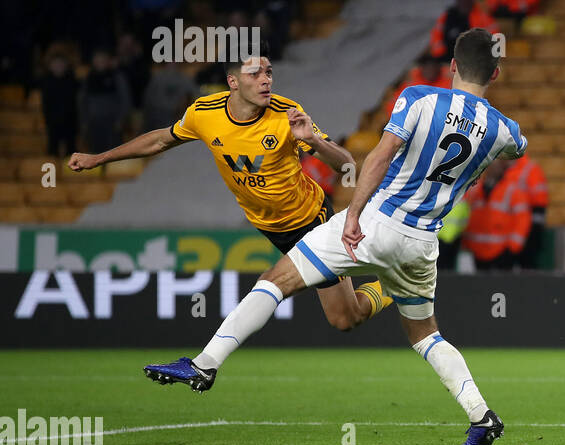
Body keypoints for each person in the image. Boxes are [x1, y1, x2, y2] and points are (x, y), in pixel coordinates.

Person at [141, 29, 525, 445]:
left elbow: (379, 157)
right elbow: (515, 148)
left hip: (378, 222)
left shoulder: (419, 98)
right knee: (426, 335)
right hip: (423, 242)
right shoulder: (504, 131)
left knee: (276, 280)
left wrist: (353, 215)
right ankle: (481, 416)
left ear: (452, 66)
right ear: (496, 73)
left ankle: (204, 364)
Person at [68, 56, 392, 333]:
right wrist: (98, 158)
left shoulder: (286, 113)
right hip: (268, 226)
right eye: (256, 74)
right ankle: (394, 286)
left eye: (268, 73)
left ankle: (204, 364)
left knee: (279, 291)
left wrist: (315, 141)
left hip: (310, 221)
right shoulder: (204, 113)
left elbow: (347, 165)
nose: (266, 80)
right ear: (233, 82)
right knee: (348, 319)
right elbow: (159, 140)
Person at [463, 158, 530, 271]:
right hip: (477, 252)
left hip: (502, 252)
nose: (492, 168)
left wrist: (512, 248)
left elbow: (522, 221)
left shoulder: (512, 190)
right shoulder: (476, 189)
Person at [429, 0, 496, 62]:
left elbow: (493, 35)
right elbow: (436, 35)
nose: (465, 6)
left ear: (472, 4)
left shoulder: (482, 17)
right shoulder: (447, 17)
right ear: (457, 4)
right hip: (447, 54)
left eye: (467, 3)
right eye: (462, 3)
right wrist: (439, 53)